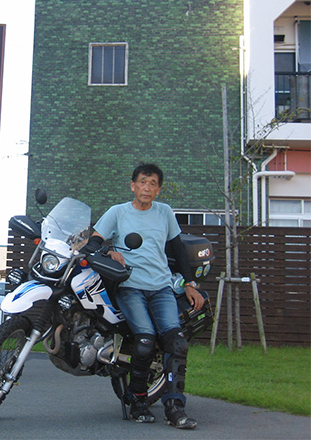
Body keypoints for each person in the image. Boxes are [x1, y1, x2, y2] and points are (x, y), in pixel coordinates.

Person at [82, 162, 204, 429]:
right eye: (142, 182)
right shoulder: (117, 212)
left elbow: (178, 249)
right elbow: (94, 240)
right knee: (145, 340)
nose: (147, 188)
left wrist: (190, 284)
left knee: (177, 343)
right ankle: (137, 399)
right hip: (130, 286)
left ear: (158, 189)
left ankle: (174, 408)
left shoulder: (165, 213)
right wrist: (106, 252)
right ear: (132, 185)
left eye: (152, 183)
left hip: (161, 286)